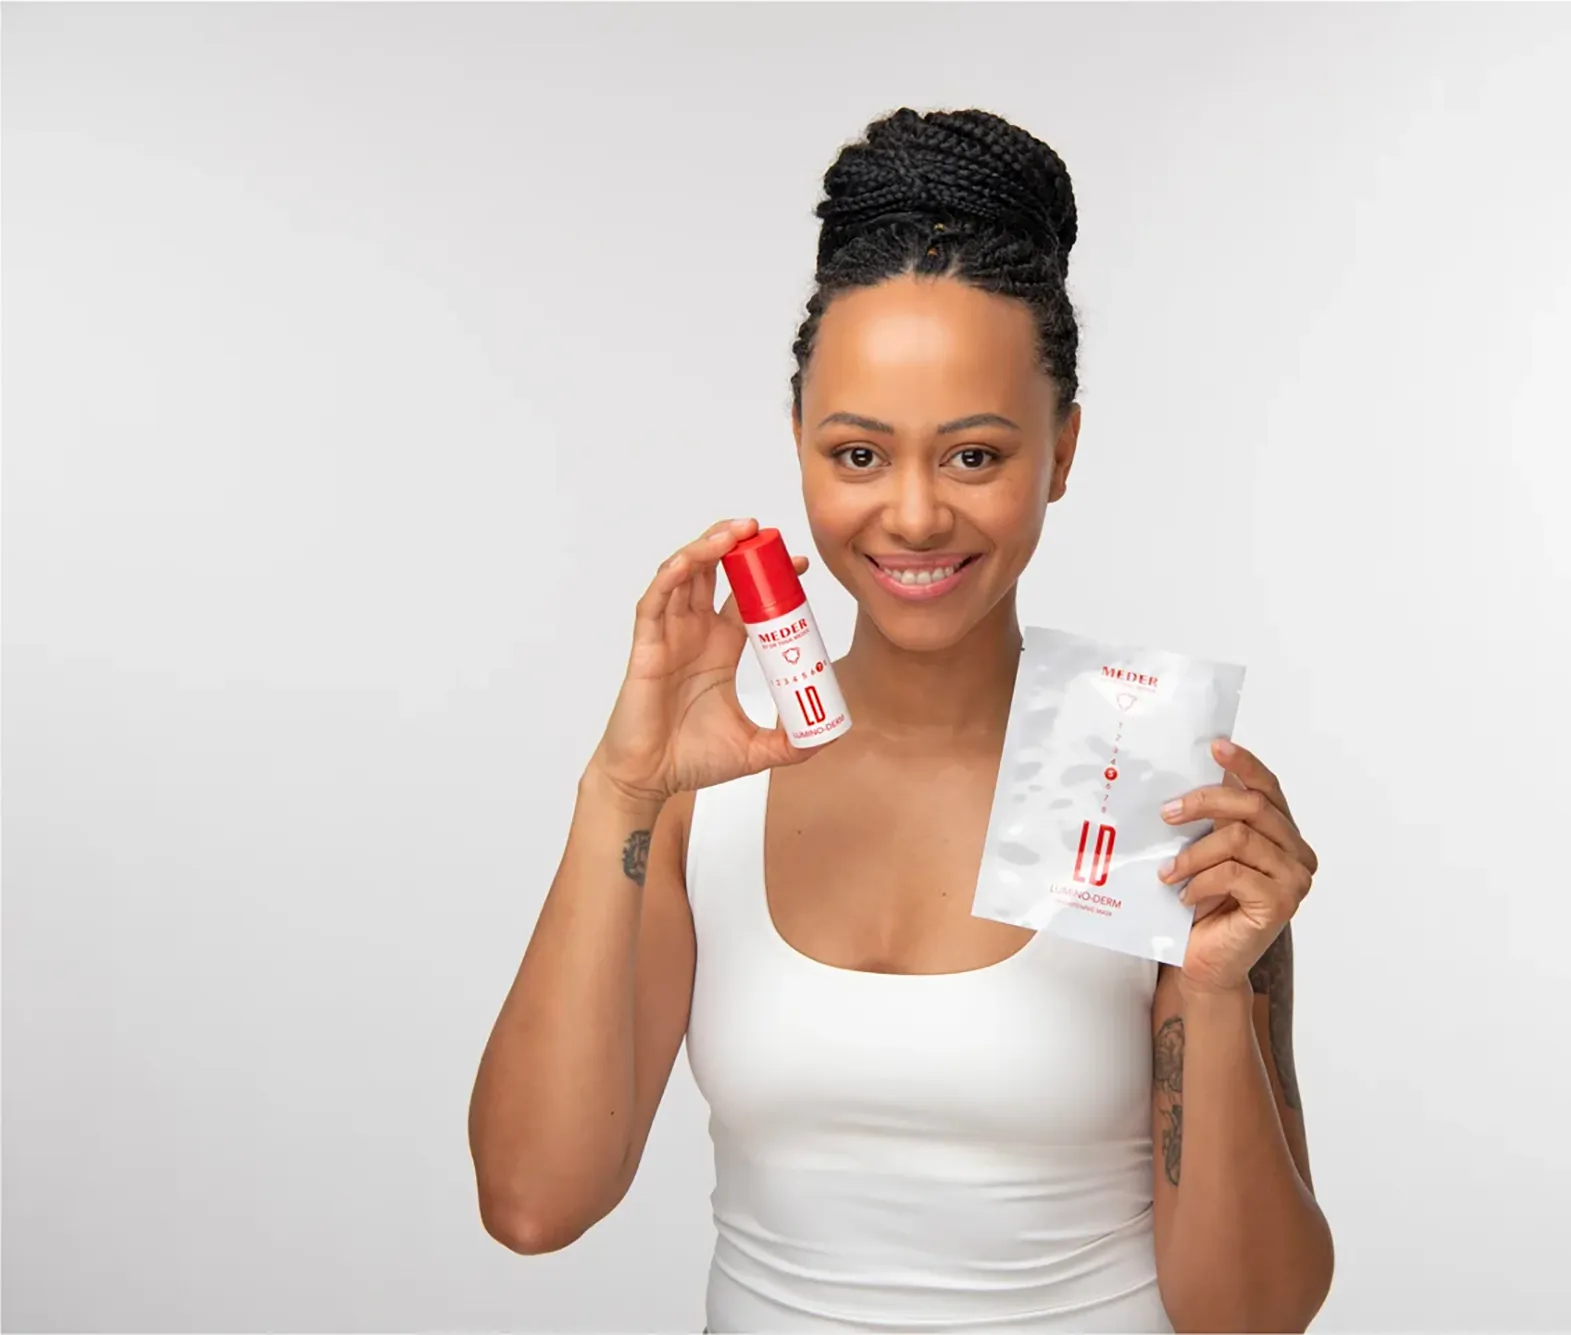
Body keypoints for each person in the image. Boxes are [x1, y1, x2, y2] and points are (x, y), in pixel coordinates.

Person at [468, 106, 1333, 1333]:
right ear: (800, 446)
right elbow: (532, 1203)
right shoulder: (705, 789)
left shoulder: (1156, 793)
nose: (915, 516)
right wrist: (621, 792)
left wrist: (1209, 988)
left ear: (1061, 450)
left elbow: (1248, 1320)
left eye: (973, 456)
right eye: (858, 455)